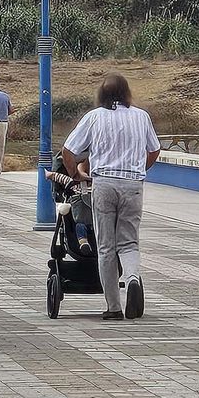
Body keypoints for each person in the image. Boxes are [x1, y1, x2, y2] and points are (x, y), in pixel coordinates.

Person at [60, 73, 161, 321]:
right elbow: (154, 149)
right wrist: (139, 170)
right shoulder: (142, 116)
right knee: (129, 242)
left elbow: (68, 151)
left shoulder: (94, 117)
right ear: (127, 93)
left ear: (101, 95)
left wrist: (75, 174)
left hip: (103, 183)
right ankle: (133, 278)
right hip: (133, 185)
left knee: (106, 247)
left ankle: (114, 307)